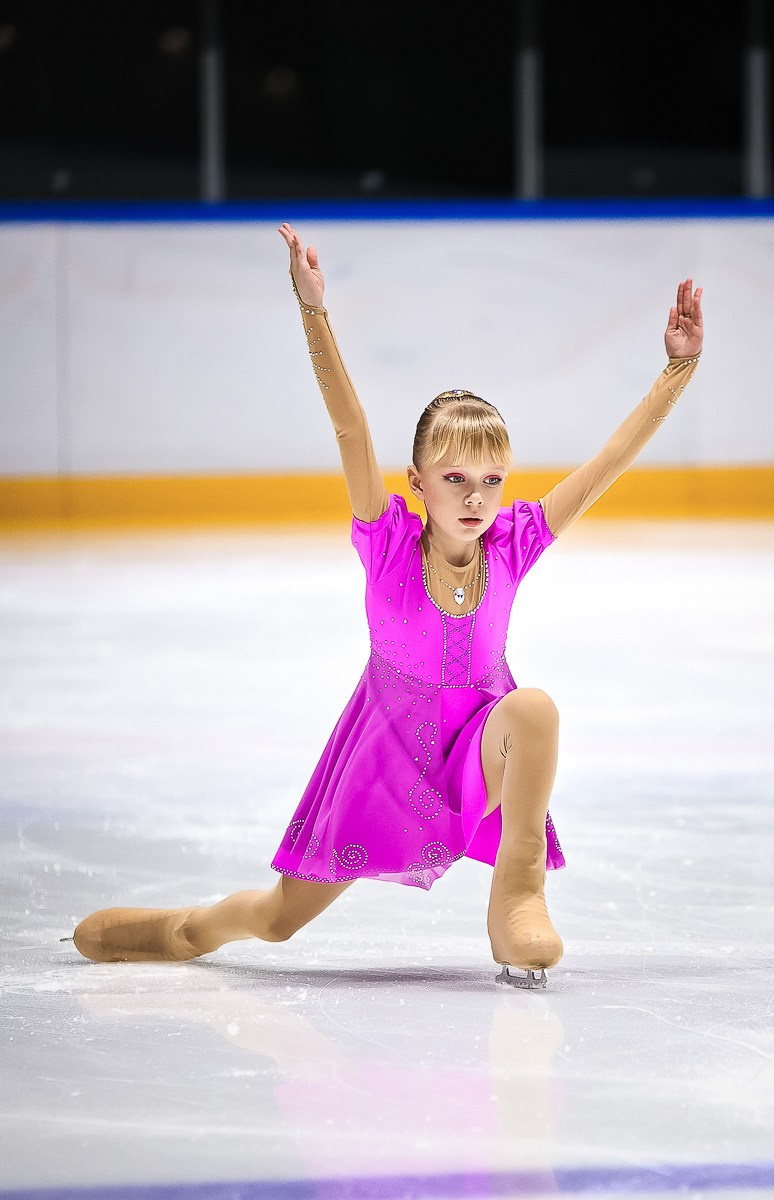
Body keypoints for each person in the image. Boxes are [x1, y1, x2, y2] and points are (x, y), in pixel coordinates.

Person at [64, 222, 703, 989]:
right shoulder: (389, 543)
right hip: (386, 757)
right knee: (279, 919)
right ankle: (185, 928)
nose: (475, 497)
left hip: (472, 752)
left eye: (491, 481)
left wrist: (676, 371)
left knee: (532, 710)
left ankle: (518, 894)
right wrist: (313, 311)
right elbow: (349, 425)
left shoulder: (514, 542)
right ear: (417, 481)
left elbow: (607, 464)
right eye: (455, 478)